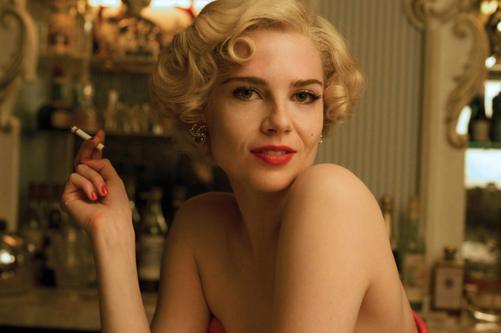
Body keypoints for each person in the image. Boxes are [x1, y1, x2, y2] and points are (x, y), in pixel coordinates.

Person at [61, 0, 427, 332]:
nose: (280, 121)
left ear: (324, 109)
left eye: (303, 96)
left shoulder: (332, 198)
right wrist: (113, 238)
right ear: (201, 108)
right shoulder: (199, 227)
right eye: (247, 92)